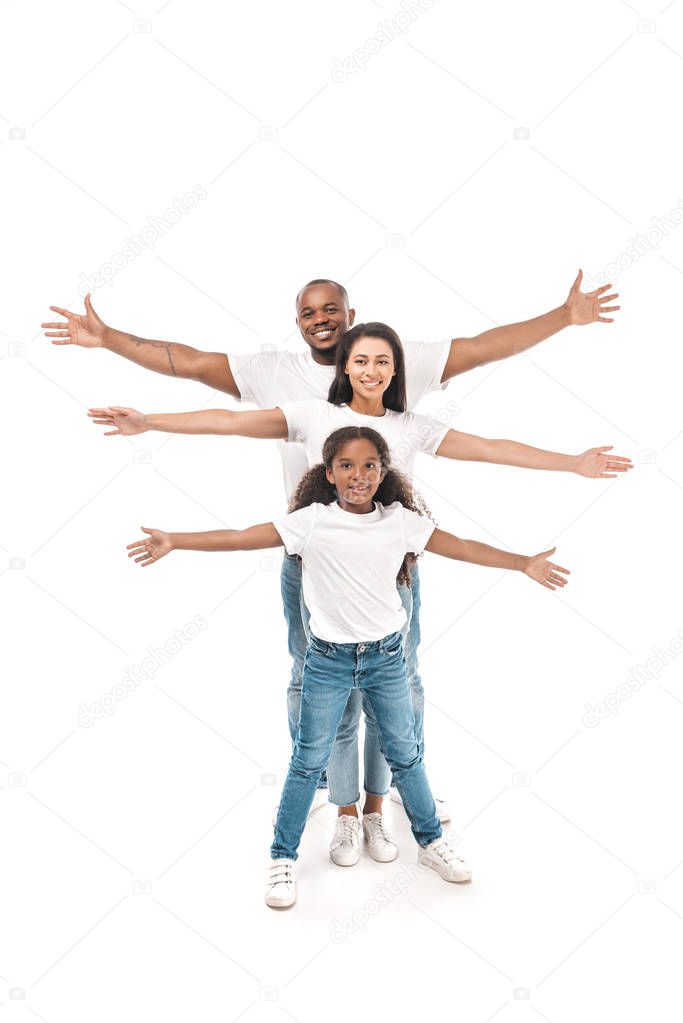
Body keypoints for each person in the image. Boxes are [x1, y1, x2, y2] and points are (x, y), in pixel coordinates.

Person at [43, 274, 618, 832]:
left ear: (355, 323)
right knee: (312, 679)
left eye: (332, 311)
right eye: (308, 312)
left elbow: (486, 404)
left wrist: (566, 337)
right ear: (304, 327)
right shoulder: (300, 399)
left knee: (402, 678)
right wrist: (141, 401)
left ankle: (397, 783)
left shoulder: (403, 402)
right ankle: (325, 784)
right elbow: (213, 397)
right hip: (309, 558)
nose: (323, 322)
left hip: (392, 562)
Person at [124, 425, 572, 908]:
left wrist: (522, 561)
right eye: (346, 466)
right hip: (328, 662)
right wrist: (177, 539)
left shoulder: (399, 520)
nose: (358, 476)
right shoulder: (311, 521)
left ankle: (430, 844)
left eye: (369, 466)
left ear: (383, 473)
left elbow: (461, 545)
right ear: (329, 473)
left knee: (406, 755)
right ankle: (282, 860)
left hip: (386, 659)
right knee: (307, 761)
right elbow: (239, 537)